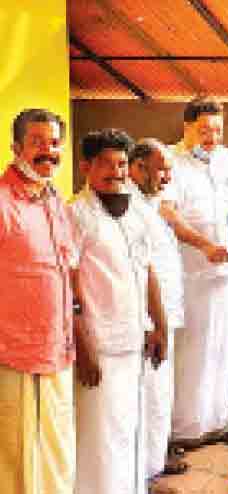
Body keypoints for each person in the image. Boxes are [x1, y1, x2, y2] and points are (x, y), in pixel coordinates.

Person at [71, 129, 168, 494]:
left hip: (134, 339)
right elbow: (71, 284)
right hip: (100, 346)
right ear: (86, 167)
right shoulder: (76, 214)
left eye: (122, 164)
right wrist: (84, 345)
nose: (116, 172)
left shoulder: (135, 213)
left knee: (130, 429)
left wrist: (160, 326)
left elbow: (147, 271)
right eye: (106, 165)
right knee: (99, 437)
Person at [163, 97, 228, 448]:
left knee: (221, 347)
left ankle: (218, 421)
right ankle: (186, 429)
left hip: (226, 271)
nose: (211, 137)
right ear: (187, 127)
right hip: (192, 273)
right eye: (204, 130)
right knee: (193, 350)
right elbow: (168, 212)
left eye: (217, 130)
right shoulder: (172, 162)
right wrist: (204, 245)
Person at [0, 109, 82, 494]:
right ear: (16, 147)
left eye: (53, 143)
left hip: (57, 352)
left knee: (56, 455)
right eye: (36, 142)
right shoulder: (3, 203)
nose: (47, 151)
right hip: (14, 357)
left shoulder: (55, 202)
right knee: (16, 463)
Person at [128, 139, 189, 489]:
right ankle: (145, 471)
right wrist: (155, 324)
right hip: (149, 319)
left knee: (160, 392)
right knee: (147, 394)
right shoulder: (130, 207)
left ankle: (154, 460)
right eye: (160, 169)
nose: (167, 176)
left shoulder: (151, 203)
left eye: (168, 169)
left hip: (164, 313)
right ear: (138, 168)